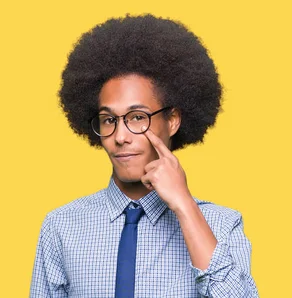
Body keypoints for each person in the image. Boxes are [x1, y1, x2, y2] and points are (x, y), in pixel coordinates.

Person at [29, 14, 259, 297]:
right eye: (108, 119)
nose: (121, 136)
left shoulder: (222, 225)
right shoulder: (61, 227)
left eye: (137, 117)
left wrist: (185, 207)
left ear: (172, 120)